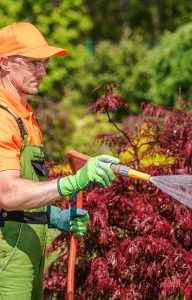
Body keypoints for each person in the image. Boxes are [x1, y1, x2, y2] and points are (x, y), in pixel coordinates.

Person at [0, 22, 119, 299]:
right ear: (4, 63)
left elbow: (22, 197)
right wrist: (73, 182)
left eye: (44, 63)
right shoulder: (2, 118)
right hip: (6, 260)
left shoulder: (25, 116)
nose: (42, 72)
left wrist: (56, 217)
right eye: (33, 63)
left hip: (26, 252)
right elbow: (7, 194)